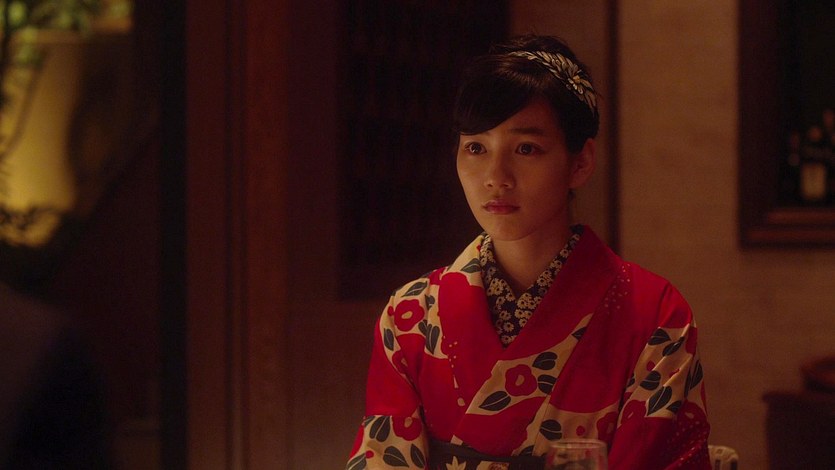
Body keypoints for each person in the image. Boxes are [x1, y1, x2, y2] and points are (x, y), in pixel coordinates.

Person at [347, 34, 710, 469]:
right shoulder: (410, 314)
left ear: (580, 162)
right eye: (476, 148)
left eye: (525, 149)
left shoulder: (655, 315)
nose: (495, 176)